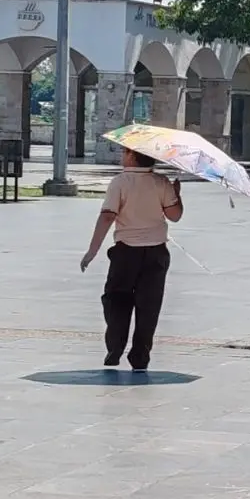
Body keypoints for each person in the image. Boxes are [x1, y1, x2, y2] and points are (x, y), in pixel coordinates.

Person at [80, 148, 183, 371]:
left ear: (132, 156)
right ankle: (140, 356)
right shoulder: (161, 182)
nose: (121, 155)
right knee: (149, 306)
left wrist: (92, 251)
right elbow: (174, 216)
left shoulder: (120, 182)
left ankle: (115, 346)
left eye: (125, 152)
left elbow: (108, 216)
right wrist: (177, 194)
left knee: (116, 299)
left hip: (126, 252)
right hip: (156, 252)